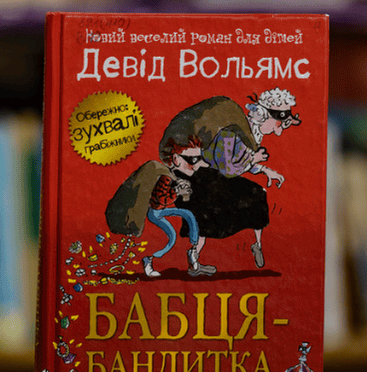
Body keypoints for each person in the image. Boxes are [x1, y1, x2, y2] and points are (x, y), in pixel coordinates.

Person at [160, 88, 300, 270]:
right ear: (263, 115)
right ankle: (194, 256)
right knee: (205, 214)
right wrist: (254, 160)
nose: (279, 129)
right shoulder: (230, 132)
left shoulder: (252, 134)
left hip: (215, 175)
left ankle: (257, 245)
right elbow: (227, 169)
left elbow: (240, 161)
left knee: (258, 194)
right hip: (199, 174)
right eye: (278, 123)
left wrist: (263, 169)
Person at [104, 137, 217, 277]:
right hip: (156, 212)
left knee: (188, 214)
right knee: (172, 236)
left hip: (160, 210)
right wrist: (177, 191)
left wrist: (180, 189)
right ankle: (148, 261)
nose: (196, 165)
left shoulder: (171, 175)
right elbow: (161, 200)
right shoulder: (165, 176)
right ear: (176, 159)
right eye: (193, 160)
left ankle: (193, 252)